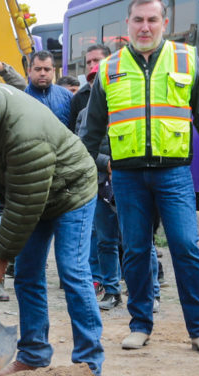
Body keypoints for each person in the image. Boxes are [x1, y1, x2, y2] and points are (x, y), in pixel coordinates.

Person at [80, 0, 199, 356]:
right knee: (135, 251)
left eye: (152, 20)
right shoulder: (110, 68)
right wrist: (92, 168)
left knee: (186, 247)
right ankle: (140, 324)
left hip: (173, 173)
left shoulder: (186, 59)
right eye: (139, 20)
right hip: (127, 176)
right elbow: (91, 130)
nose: (145, 27)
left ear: (165, 23)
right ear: (127, 23)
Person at [0, 72, 105, 376]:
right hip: (31, 193)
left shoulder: (25, 133)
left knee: (72, 271)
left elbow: (24, 203)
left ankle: (88, 364)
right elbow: (0, 181)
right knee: (28, 275)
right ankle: (33, 354)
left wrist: (2, 254)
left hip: (70, 191)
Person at [71, 44, 123, 311]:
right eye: (92, 79)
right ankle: (111, 290)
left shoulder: (127, 107)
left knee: (139, 241)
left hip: (128, 181)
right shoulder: (83, 114)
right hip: (99, 183)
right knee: (104, 240)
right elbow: (82, 149)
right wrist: (106, 163)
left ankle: (151, 293)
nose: (96, 84)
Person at [23, 50, 72, 126]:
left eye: (47, 69)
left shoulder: (67, 96)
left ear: (53, 71)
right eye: (38, 69)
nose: (42, 73)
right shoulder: (21, 98)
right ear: (29, 71)